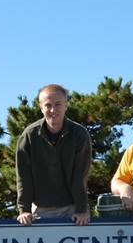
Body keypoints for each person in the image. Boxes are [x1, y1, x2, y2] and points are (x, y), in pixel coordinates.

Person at [14, 84, 92, 226]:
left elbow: (80, 175)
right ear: (41, 107)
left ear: (66, 105)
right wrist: (24, 210)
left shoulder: (80, 134)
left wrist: (81, 209)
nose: (53, 110)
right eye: (48, 105)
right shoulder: (29, 136)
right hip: (40, 209)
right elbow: (23, 177)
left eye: (58, 104)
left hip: (73, 208)